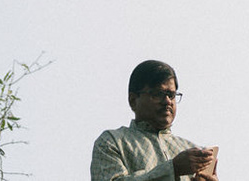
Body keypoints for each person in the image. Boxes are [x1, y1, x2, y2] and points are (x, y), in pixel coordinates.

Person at [90, 60, 218, 181]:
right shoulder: (112, 142)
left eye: (171, 95)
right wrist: (173, 169)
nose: (167, 101)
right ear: (133, 100)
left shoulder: (192, 152)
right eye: (158, 94)